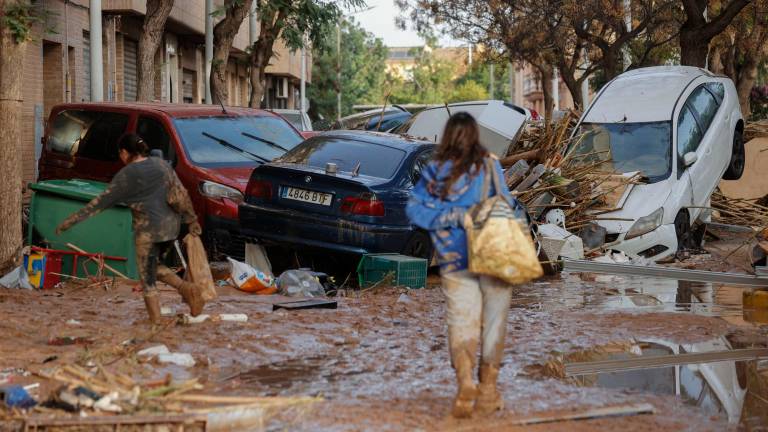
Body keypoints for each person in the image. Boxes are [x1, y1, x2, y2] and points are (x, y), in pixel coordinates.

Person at [406, 112, 527, 418]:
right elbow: (508, 204)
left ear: (447, 135)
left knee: (461, 323)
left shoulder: (435, 170)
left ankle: (464, 385)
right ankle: (487, 390)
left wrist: (446, 218)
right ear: (475, 135)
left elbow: (415, 211)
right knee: (493, 323)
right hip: (491, 257)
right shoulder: (488, 164)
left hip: (454, 261)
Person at [56, 134, 205, 324]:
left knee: (147, 277)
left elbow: (100, 203)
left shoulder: (127, 175)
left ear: (125, 153)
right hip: (171, 227)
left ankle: (156, 320)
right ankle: (187, 290)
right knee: (155, 267)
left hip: (148, 231)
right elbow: (180, 195)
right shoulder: (161, 165)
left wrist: (70, 221)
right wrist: (192, 220)